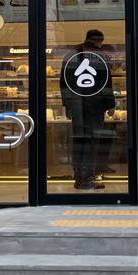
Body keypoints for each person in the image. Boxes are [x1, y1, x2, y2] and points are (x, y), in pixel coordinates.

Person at [60, 29, 116, 190]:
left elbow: (64, 81)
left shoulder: (71, 54)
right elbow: (105, 82)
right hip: (95, 106)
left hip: (77, 105)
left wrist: (67, 105)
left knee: (79, 140)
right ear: (99, 41)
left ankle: (79, 177)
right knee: (91, 142)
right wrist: (110, 104)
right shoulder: (99, 55)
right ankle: (87, 178)